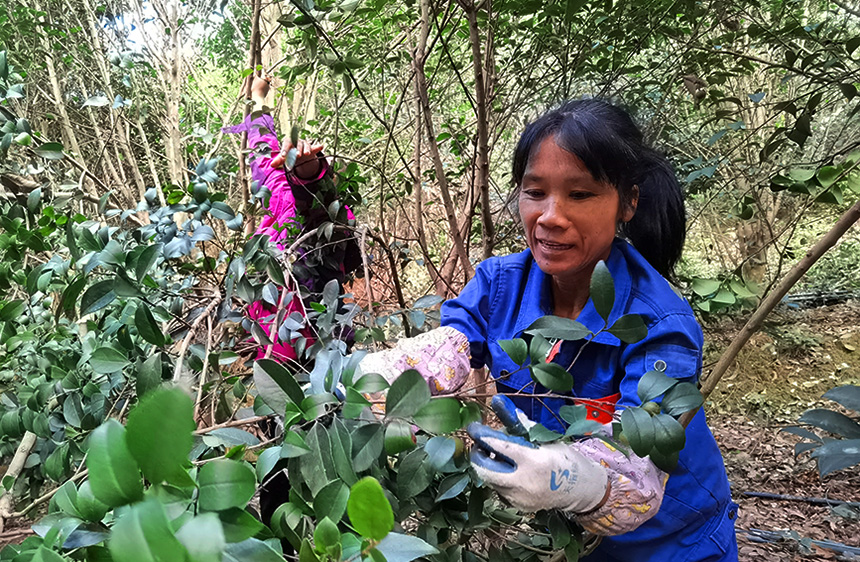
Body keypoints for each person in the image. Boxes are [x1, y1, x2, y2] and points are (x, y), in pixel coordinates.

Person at [434, 99, 739, 560]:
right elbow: (455, 336)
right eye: (535, 192)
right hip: (572, 544)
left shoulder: (660, 323)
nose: (550, 216)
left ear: (628, 202)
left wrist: (573, 478)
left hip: (671, 545)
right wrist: (408, 370)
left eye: (580, 195)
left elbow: (640, 469)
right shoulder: (502, 284)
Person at [225, 75, 362, 361]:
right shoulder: (275, 188)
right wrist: (259, 96)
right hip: (274, 335)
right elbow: (262, 149)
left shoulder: (331, 215)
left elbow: (317, 204)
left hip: (319, 338)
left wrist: (309, 171)